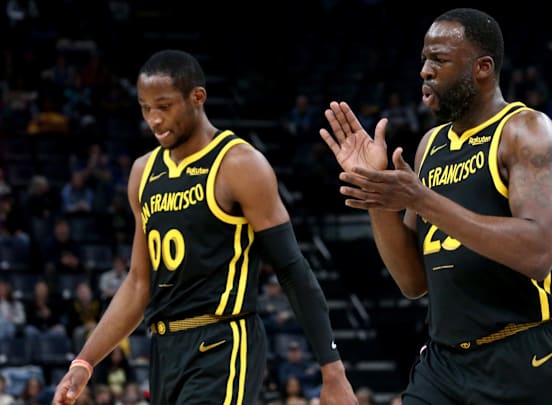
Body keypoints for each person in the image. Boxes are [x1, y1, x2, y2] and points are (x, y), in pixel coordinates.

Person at [319, 8, 552, 405]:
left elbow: (538, 251)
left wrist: (422, 199)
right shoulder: (430, 146)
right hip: (445, 365)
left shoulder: (526, 133)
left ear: (482, 67)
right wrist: (377, 192)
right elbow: (412, 282)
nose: (424, 71)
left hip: (529, 355)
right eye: (423, 59)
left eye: (439, 59)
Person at [52, 49, 356, 405]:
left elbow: (291, 269)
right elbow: (138, 282)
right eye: (145, 107)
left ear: (197, 97)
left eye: (163, 106)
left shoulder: (240, 164)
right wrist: (84, 362)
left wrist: (332, 370)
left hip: (222, 341)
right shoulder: (143, 172)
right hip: (164, 349)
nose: (153, 119)